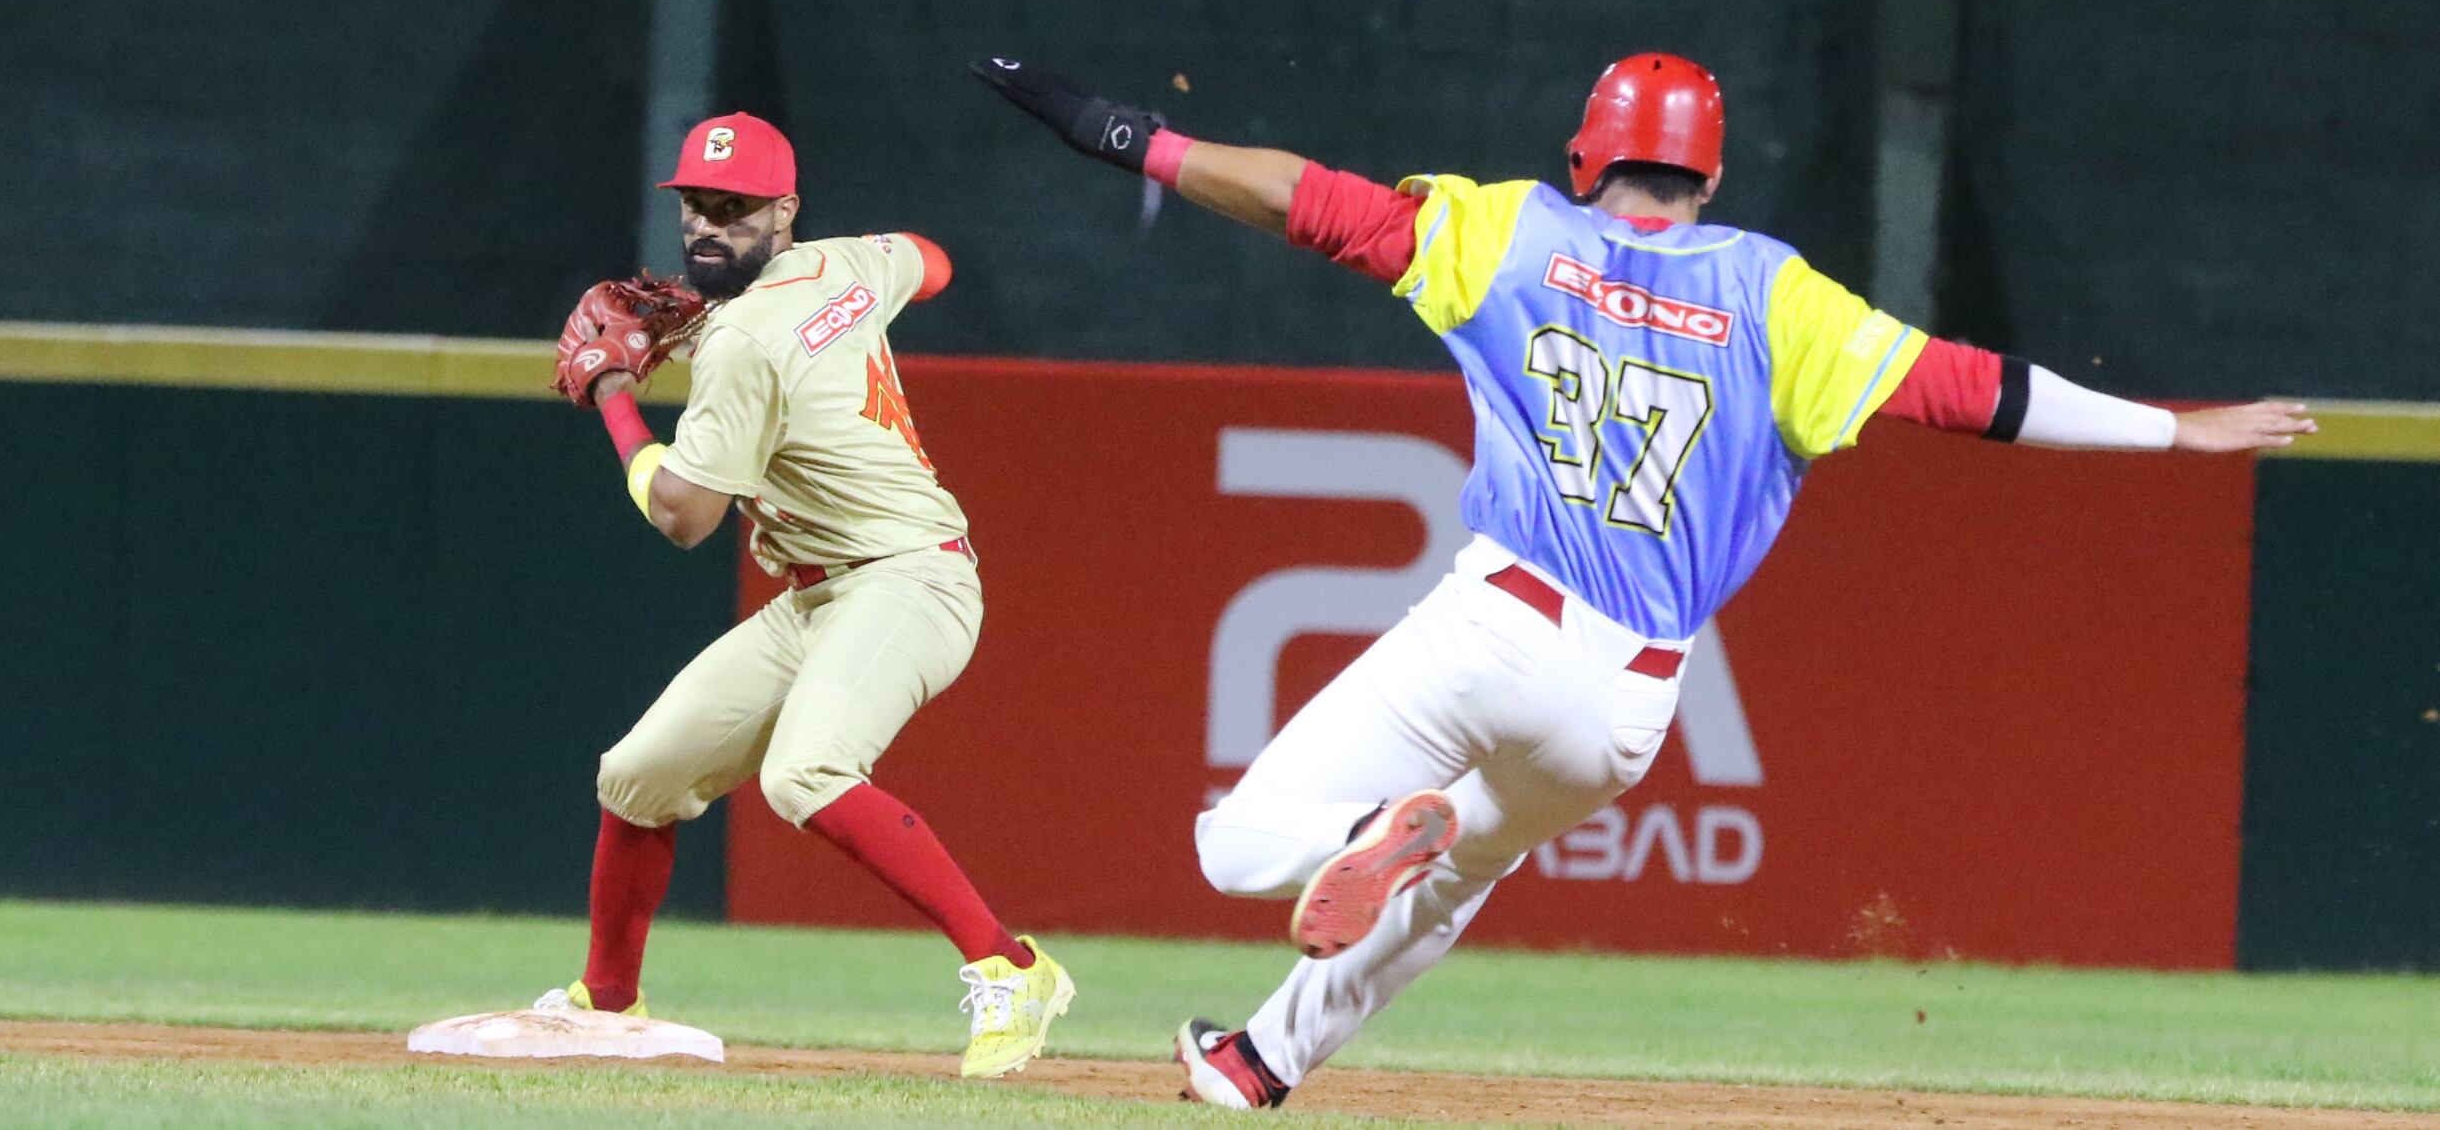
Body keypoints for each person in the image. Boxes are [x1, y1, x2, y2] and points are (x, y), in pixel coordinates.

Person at [971, 54, 2310, 1109]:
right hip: (1626, 707)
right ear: (1706, 180)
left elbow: (1299, 199)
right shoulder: (1777, 296)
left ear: (1583, 156)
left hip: (1496, 616)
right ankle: (1257, 1064)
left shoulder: (1505, 232)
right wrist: (2172, 426)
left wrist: (1131, 135)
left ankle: (1368, 833)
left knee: (1239, 844)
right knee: (1466, 874)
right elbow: (1972, 392)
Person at [538, 111, 1073, 1078]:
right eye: (697, 205)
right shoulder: (844, 266)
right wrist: (851, 299)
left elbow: (682, 518)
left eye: (735, 210)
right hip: (822, 593)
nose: (708, 227)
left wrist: (616, 394)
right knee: (638, 776)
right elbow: (932, 260)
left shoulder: (741, 340)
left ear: (783, 209)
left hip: (910, 578)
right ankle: (606, 1002)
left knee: (805, 774)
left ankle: (1012, 965)